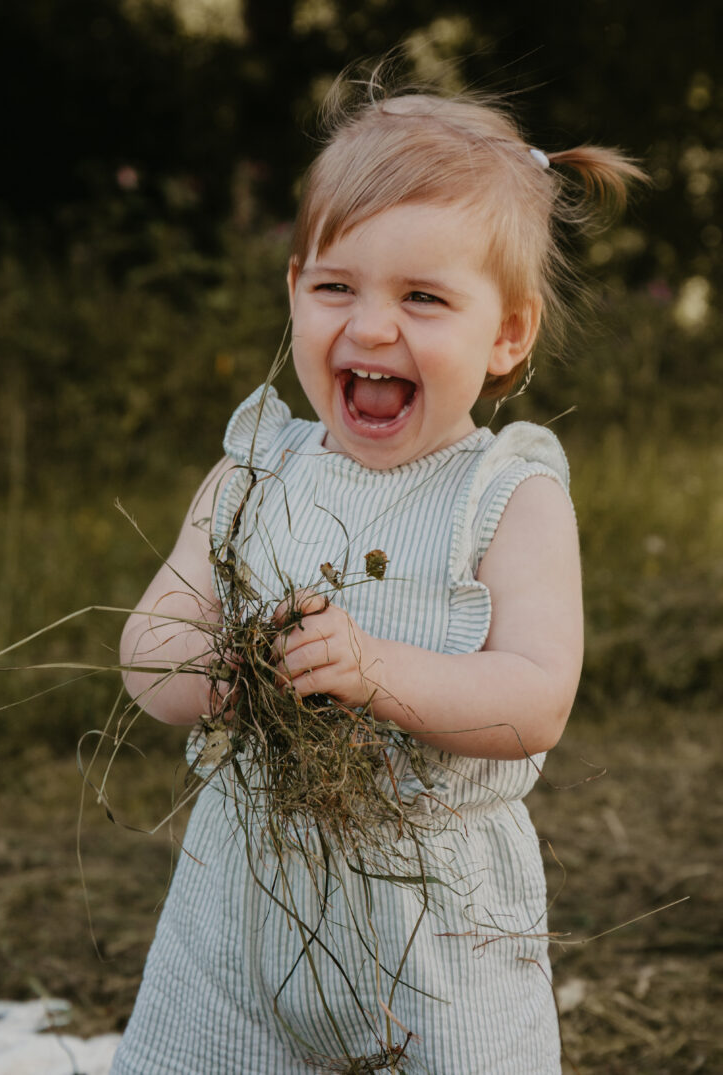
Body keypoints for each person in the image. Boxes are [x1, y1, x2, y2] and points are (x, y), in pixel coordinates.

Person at [110, 75, 644, 1075]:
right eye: (335, 287)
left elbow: (534, 698)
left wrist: (374, 671)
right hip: (240, 910)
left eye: (424, 298)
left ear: (508, 335)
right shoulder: (251, 473)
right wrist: (216, 667)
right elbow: (146, 650)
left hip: (437, 936)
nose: (370, 328)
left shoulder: (506, 497)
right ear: (293, 289)